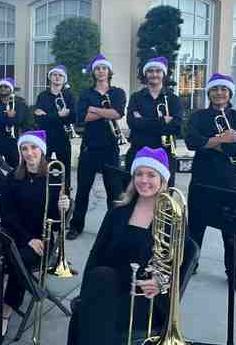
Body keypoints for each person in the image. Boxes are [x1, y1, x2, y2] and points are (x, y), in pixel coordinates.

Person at [65, 147, 193, 345]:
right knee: (99, 283)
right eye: (139, 174)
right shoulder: (118, 211)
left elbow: (180, 264)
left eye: (151, 175)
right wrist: (87, 291)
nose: (144, 180)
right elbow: (96, 256)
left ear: (163, 179)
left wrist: (160, 282)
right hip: (108, 286)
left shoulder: (173, 218)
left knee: (88, 314)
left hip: (145, 297)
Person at [0, 130, 70, 345]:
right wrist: (26, 239)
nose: (29, 153)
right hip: (14, 233)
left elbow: (54, 219)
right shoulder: (13, 177)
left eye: (33, 148)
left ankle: (5, 314)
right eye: (24, 149)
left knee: (17, 261)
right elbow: (7, 215)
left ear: (42, 151)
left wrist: (64, 207)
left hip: (41, 239)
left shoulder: (53, 178)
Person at [185, 73, 236, 296]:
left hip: (228, 180)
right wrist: (222, 139)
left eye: (223, 89)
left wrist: (209, 142)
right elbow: (191, 142)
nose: (219, 93)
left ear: (229, 93)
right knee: (195, 227)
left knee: (231, 231)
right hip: (202, 179)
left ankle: (235, 274)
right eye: (214, 89)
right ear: (209, 93)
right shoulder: (199, 115)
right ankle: (190, 264)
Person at [68, 54, 127, 240]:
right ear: (93, 72)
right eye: (97, 68)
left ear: (109, 71)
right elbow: (81, 118)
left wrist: (94, 109)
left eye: (104, 68)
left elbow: (117, 113)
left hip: (110, 148)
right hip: (89, 148)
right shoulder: (86, 93)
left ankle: (114, 228)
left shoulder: (117, 92)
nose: (101, 71)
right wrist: (105, 113)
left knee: (114, 191)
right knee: (83, 191)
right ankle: (76, 226)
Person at [126, 56, 183, 186]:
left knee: (164, 197)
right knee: (134, 194)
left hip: (165, 154)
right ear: (145, 74)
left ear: (163, 74)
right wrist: (162, 121)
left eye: (158, 71)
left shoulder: (173, 99)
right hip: (138, 152)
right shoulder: (136, 97)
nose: (154, 74)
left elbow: (177, 127)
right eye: (150, 71)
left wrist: (144, 121)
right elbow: (132, 123)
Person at [33, 64, 76, 192]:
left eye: (60, 76)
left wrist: (49, 116)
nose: (57, 78)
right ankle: (41, 193)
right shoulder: (42, 96)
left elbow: (74, 117)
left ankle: (65, 194)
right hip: (45, 137)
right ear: (50, 77)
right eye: (54, 75)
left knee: (65, 169)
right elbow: (39, 120)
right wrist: (59, 115)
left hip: (63, 137)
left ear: (64, 79)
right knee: (41, 167)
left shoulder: (69, 96)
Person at [0, 77, 28, 169]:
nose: (3, 88)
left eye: (6, 86)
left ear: (11, 89)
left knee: (14, 168)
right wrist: (8, 117)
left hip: (11, 141)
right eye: (1, 87)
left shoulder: (20, 103)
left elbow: (19, 120)